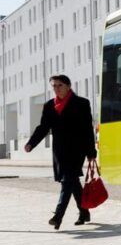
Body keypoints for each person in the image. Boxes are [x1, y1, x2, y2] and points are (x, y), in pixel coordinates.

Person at [24, 75, 97, 230]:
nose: (57, 88)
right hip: (60, 150)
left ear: (68, 86)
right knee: (72, 182)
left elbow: (87, 129)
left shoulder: (82, 103)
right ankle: (84, 212)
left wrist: (91, 151)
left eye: (60, 85)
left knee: (67, 181)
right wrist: (31, 143)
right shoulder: (49, 105)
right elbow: (43, 127)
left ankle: (58, 216)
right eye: (54, 86)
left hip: (77, 150)